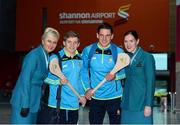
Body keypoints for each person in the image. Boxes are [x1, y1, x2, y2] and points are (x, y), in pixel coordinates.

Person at [10, 27, 60, 124]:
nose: (51, 45)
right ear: (42, 40)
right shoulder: (34, 55)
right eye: (49, 41)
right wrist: (24, 104)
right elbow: (25, 80)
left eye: (54, 42)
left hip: (34, 102)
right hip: (23, 101)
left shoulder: (45, 55)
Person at [37, 31, 86, 124]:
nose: (72, 45)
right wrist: (59, 81)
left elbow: (79, 79)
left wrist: (82, 94)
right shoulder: (55, 57)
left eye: (75, 42)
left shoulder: (80, 59)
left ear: (78, 44)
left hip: (74, 105)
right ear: (64, 43)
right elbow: (45, 78)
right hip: (57, 105)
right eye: (69, 42)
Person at [81, 22, 126, 124]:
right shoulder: (88, 50)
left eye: (107, 35)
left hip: (115, 97)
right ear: (97, 35)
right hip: (95, 97)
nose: (104, 39)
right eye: (101, 35)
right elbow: (83, 71)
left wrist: (115, 76)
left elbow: (124, 72)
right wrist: (87, 89)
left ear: (112, 36)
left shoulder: (119, 52)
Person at [121, 30, 156, 124]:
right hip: (126, 105)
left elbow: (150, 82)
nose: (128, 44)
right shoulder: (124, 58)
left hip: (141, 104)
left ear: (137, 41)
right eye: (125, 41)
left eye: (131, 41)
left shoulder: (147, 57)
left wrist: (148, 105)